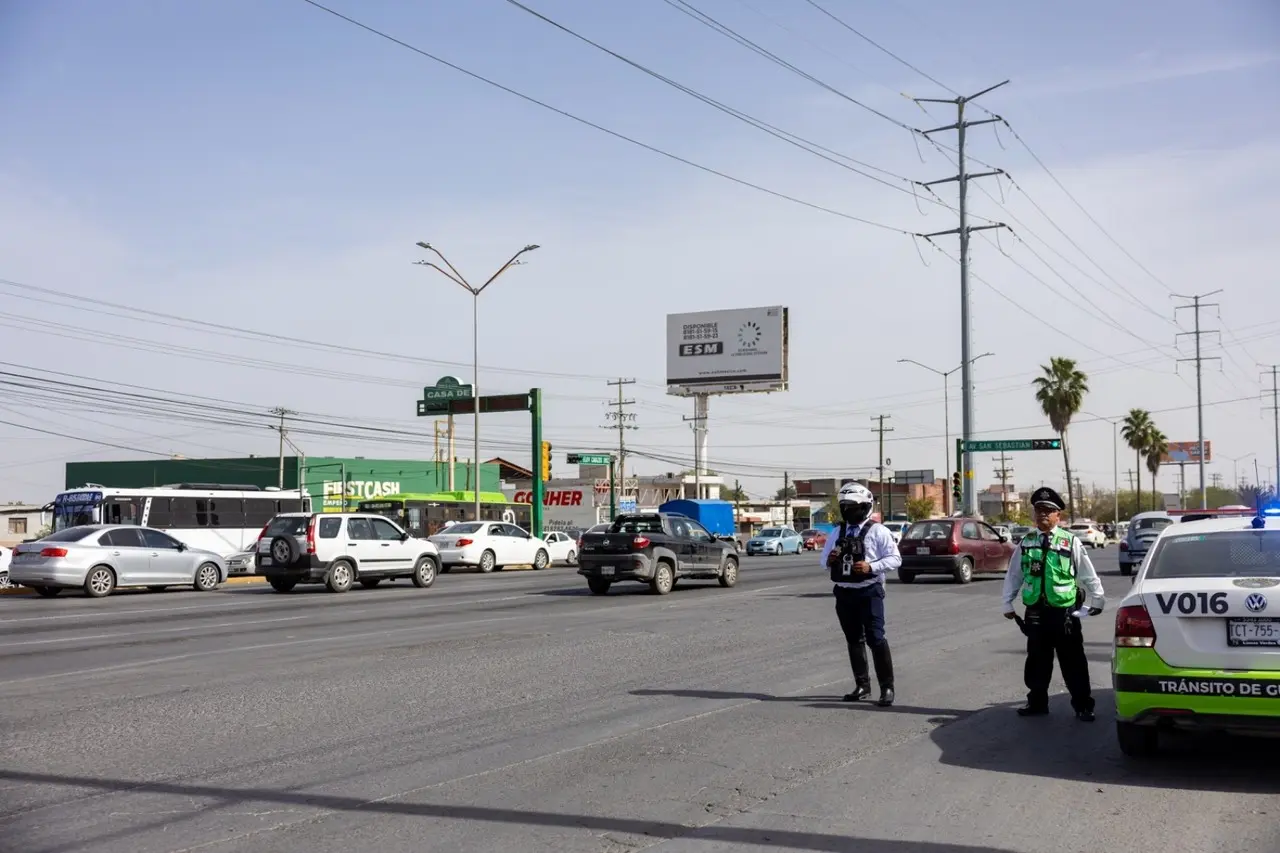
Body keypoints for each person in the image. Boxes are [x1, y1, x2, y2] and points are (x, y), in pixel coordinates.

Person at [1001, 486, 1106, 721]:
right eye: (1039, 510)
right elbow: (1014, 575)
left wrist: (1097, 598)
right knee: (1037, 660)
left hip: (1064, 612)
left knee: (1073, 661)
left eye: (1048, 511)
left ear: (1059, 515)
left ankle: (1083, 705)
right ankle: (1037, 702)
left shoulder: (1070, 542)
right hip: (1036, 611)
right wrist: (1007, 604)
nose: (1042, 515)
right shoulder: (1027, 542)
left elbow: (1088, 574)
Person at [820, 482, 901, 706]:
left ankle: (887, 688)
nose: (848, 511)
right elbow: (823, 561)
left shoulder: (878, 531)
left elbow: (896, 559)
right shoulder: (837, 531)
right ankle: (862, 685)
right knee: (854, 639)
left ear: (865, 506)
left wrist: (871, 567)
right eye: (845, 507)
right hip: (844, 593)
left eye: (853, 507)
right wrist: (830, 560)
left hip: (870, 591)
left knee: (876, 638)